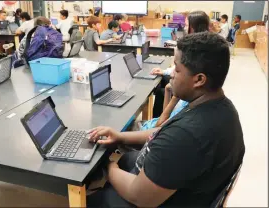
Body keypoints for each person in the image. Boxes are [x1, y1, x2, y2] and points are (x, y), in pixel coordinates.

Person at [87, 32, 245, 207]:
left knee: (85, 200)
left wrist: (107, 166)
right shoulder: (220, 107)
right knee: (125, 159)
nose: (171, 75)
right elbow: (161, 132)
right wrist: (120, 137)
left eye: (177, 69)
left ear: (199, 79)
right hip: (183, 187)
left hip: (148, 197)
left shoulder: (187, 135)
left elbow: (139, 195)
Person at [150, 10, 210, 118]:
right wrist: (164, 72)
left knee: (160, 91)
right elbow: (180, 67)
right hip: (194, 84)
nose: (185, 27)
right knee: (163, 81)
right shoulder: (206, 41)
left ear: (193, 27)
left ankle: (158, 119)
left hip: (191, 87)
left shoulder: (193, 46)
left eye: (187, 25)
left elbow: (182, 68)